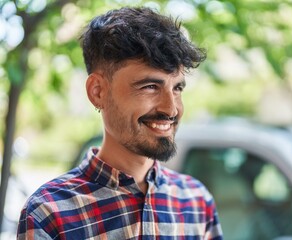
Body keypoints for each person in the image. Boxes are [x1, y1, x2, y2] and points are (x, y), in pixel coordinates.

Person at [17, 6, 223, 239]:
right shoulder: (49, 214)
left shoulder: (196, 202)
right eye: (150, 87)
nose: (171, 108)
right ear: (97, 92)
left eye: (177, 88)